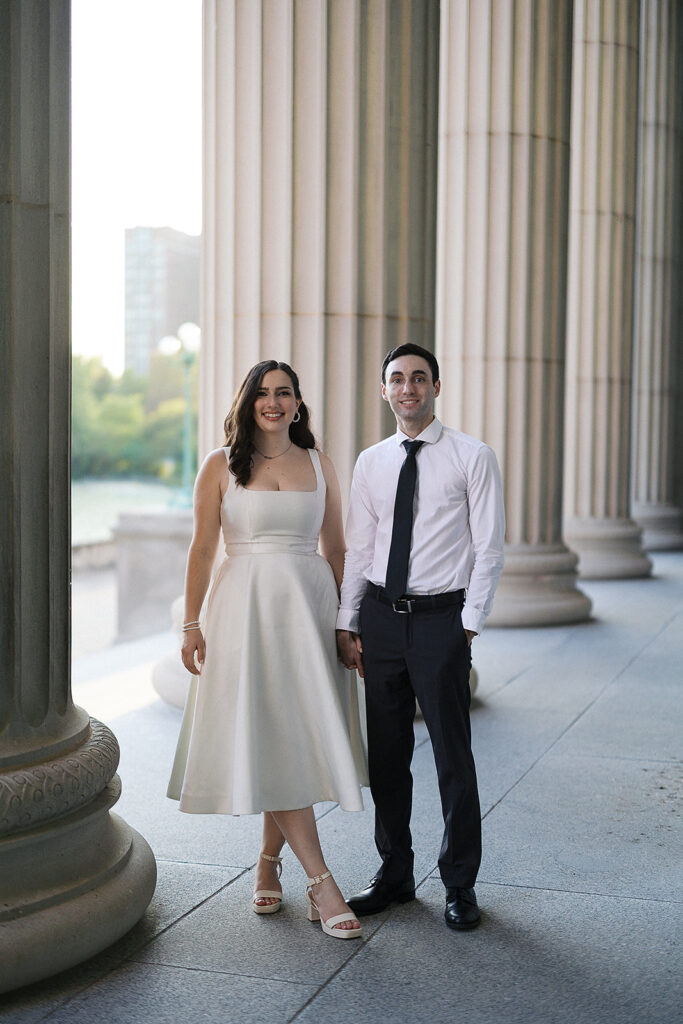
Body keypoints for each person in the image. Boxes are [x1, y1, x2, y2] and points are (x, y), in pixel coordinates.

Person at [168, 360, 367, 939]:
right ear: (247, 402)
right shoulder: (220, 464)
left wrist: (346, 624)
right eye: (263, 393)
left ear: (298, 403)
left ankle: (267, 861)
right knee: (270, 729)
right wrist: (190, 623)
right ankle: (321, 882)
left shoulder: (321, 463)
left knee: (293, 732)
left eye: (284, 393)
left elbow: (336, 549)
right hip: (243, 612)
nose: (273, 403)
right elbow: (202, 548)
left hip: (309, 610)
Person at [336, 343, 505, 930]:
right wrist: (347, 621)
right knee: (387, 756)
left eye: (418, 378)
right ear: (384, 391)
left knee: (453, 758)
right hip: (381, 620)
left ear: (436, 386)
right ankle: (396, 874)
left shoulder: (472, 456)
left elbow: (489, 548)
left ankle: (460, 883)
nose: (408, 388)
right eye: (397, 380)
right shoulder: (371, 462)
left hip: (441, 622)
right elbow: (360, 549)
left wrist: (468, 624)